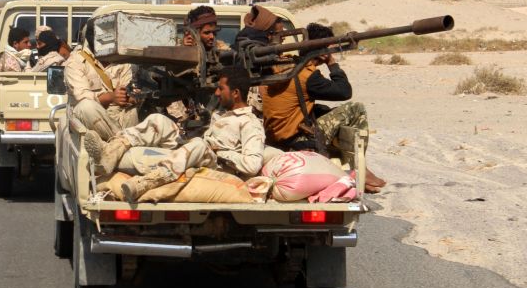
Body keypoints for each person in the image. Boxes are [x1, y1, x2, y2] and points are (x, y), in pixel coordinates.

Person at [85, 69, 265, 202]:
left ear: (235, 93)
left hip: (217, 163)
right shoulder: (222, 113)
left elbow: (252, 165)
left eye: (221, 89)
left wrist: (220, 152)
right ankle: (110, 153)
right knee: (158, 121)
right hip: (198, 150)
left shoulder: (250, 123)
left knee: (199, 145)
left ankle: (147, 182)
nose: (216, 93)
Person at [261, 22, 386, 192]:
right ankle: (359, 167)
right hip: (298, 140)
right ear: (322, 51)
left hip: (276, 137)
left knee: (322, 109)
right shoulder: (308, 76)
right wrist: (332, 63)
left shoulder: (283, 67)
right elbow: (344, 91)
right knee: (355, 109)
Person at [64, 18, 138, 140]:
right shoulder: (76, 62)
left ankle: (119, 143)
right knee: (85, 107)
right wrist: (112, 97)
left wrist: (130, 97)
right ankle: (121, 142)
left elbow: (131, 91)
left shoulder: (123, 61)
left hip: (120, 117)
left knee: (139, 112)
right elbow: (82, 97)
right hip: (93, 122)